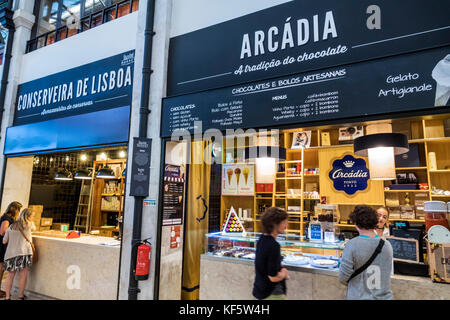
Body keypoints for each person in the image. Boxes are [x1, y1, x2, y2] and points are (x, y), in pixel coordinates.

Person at [339, 205, 393, 300]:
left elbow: (343, 278)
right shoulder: (387, 245)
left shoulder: (351, 245)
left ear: (356, 223)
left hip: (359, 296)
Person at [252, 207, 289, 300]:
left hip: (259, 291)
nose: (286, 225)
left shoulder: (261, 239)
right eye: (284, 222)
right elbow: (273, 277)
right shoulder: (273, 245)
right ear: (274, 224)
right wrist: (284, 273)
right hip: (272, 294)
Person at [3, 208, 36, 300]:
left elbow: (4, 241)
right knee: (23, 275)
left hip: (10, 254)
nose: (33, 218)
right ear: (28, 216)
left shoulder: (11, 226)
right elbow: (34, 229)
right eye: (33, 216)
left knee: (10, 276)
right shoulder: (29, 225)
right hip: (23, 253)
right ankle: (20, 296)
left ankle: (7, 297)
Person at [0, 201, 22, 298]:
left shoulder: (7, 217)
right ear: (15, 210)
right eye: (19, 210)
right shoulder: (7, 218)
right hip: (2, 246)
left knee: (1, 269)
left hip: (3, 245)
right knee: (0, 269)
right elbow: (2, 232)